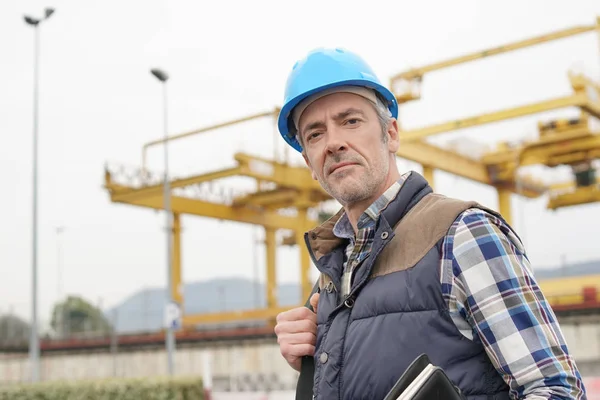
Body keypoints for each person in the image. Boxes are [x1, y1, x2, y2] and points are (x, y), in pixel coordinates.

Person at [273, 47, 587, 400]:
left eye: (351, 121)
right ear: (310, 164)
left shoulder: (462, 234)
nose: (333, 142)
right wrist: (318, 366)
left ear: (391, 134)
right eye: (315, 134)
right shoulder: (335, 274)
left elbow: (557, 390)